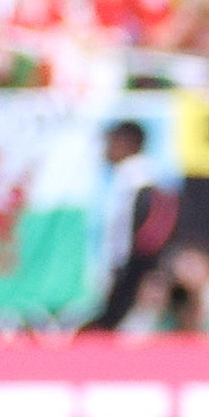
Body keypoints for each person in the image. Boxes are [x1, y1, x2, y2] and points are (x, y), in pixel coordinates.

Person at [87, 119, 176, 332]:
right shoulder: (136, 173)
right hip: (134, 264)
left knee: (122, 326)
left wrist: (136, 264)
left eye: (111, 142)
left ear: (126, 142)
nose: (106, 149)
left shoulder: (135, 174)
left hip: (133, 265)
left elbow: (149, 222)